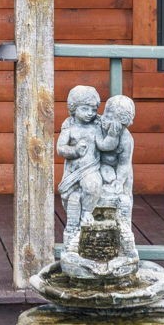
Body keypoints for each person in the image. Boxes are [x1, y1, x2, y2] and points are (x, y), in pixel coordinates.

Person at [56, 85, 102, 247]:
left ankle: (86, 213)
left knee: (92, 186)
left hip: (91, 168)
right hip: (73, 171)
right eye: (85, 109)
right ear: (73, 109)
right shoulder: (70, 128)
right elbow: (60, 148)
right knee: (70, 199)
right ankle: (73, 227)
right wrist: (74, 150)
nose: (90, 113)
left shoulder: (97, 126)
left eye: (93, 109)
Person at [96, 94, 137, 235]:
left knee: (124, 197)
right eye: (105, 113)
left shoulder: (126, 139)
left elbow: (124, 164)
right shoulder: (99, 127)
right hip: (101, 166)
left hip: (120, 173)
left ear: (123, 123)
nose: (105, 119)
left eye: (111, 117)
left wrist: (119, 180)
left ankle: (123, 230)